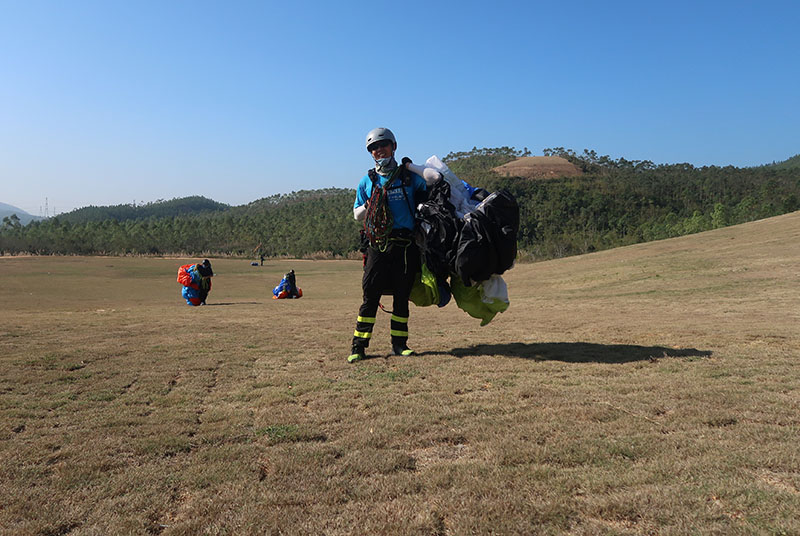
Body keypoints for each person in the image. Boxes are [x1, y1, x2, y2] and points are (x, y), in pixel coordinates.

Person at [348, 127, 427, 363]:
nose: (378, 150)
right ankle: (359, 347)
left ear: (393, 146)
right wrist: (371, 204)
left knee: (402, 296)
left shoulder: (409, 177)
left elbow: (430, 190)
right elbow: (356, 214)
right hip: (378, 244)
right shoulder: (367, 181)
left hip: (404, 245)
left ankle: (400, 345)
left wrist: (412, 167)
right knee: (370, 294)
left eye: (383, 145)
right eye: (373, 148)